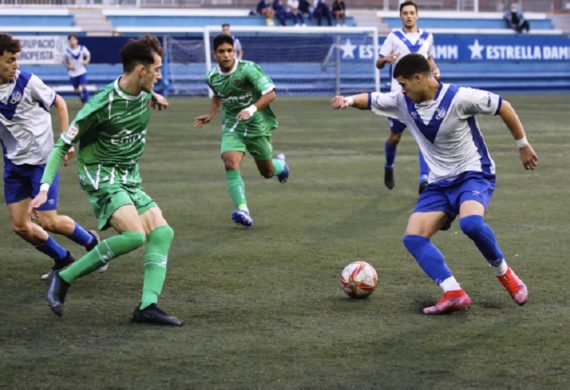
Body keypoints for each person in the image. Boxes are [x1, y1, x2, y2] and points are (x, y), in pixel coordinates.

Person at [331, 53, 538, 315]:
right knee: (413, 238)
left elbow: (503, 106)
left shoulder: (460, 97)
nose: (401, 90)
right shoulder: (403, 101)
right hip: (439, 184)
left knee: (471, 224)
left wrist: (523, 146)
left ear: (418, 78)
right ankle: (453, 292)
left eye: (404, 84)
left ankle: (505, 274)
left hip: (473, 174)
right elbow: (370, 99)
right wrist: (347, 100)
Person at [30, 35, 182, 326]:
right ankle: (64, 277)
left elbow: (143, 94)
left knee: (162, 233)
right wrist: (45, 187)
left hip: (129, 177)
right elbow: (61, 145)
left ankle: (147, 306)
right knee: (135, 236)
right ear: (141, 70)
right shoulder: (102, 104)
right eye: (157, 69)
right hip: (101, 176)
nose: (160, 75)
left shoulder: (143, 93)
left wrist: (154, 96)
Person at [0, 33, 104, 280]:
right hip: (14, 164)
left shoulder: (26, 82)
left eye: (16, 59)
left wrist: (65, 140)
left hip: (42, 161)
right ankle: (63, 259)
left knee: (48, 221)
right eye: (9, 61)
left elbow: (59, 103)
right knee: (20, 226)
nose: (15, 65)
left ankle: (93, 245)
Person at [194, 34, 289, 228]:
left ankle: (281, 166)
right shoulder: (211, 76)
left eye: (230, 51)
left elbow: (271, 94)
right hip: (232, 125)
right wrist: (211, 114)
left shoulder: (248, 69)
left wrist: (251, 108)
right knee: (230, 162)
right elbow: (218, 96)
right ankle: (243, 209)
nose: (227, 55)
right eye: (222, 52)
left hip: (257, 126)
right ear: (215, 54)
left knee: (267, 172)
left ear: (234, 52)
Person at [376, 0, 440, 194]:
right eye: (405, 13)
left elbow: (429, 60)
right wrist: (386, 59)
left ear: (417, 15)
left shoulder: (428, 37)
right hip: (399, 95)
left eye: (412, 13)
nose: (409, 16)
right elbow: (379, 63)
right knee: (395, 138)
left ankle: (424, 179)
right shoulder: (394, 37)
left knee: (424, 136)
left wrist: (435, 69)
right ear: (401, 16)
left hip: (421, 95)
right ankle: (389, 166)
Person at [63, 34, 91, 104]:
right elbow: (64, 61)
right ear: (69, 41)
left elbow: (88, 55)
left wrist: (86, 61)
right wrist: (68, 66)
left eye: (74, 39)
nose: (73, 41)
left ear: (77, 40)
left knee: (84, 86)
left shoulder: (82, 48)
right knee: (76, 90)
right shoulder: (67, 51)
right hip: (72, 73)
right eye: (71, 40)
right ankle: (81, 97)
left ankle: (87, 103)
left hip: (81, 71)